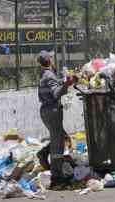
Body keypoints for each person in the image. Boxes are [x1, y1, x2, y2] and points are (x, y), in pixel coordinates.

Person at [36, 50, 76, 189]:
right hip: (52, 111)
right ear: (48, 60)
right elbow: (56, 93)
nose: (53, 60)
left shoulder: (44, 74)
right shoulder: (49, 75)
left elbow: (53, 85)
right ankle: (57, 176)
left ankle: (44, 153)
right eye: (51, 58)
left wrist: (64, 81)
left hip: (46, 111)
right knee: (58, 144)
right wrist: (67, 84)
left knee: (58, 138)